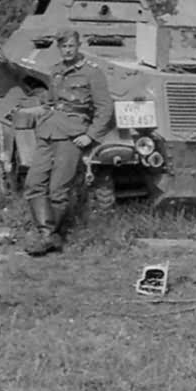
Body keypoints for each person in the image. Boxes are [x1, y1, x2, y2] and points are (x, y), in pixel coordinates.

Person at [21, 28, 113, 256]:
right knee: (33, 184)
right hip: (48, 132)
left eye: (71, 46)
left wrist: (91, 136)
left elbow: (105, 108)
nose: (68, 50)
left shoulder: (92, 73)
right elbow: (52, 102)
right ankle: (49, 235)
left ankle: (46, 237)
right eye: (63, 46)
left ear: (78, 46)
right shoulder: (56, 72)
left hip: (72, 136)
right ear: (59, 48)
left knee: (58, 190)